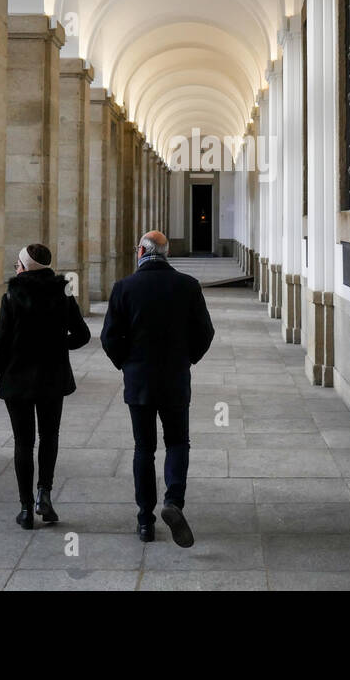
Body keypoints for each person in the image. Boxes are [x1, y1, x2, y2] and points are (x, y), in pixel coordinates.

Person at [100, 230, 214, 547]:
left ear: (141, 251)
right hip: (175, 379)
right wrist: (187, 359)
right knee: (178, 442)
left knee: (143, 449)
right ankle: (173, 501)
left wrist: (127, 364)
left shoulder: (124, 287)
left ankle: (145, 521)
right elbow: (205, 332)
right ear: (166, 252)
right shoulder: (187, 286)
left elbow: (109, 337)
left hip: (139, 383)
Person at [0, 243, 89, 530]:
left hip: (18, 380)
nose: (16, 266)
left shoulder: (13, 295)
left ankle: (26, 509)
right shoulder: (62, 293)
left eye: (18, 262)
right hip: (52, 378)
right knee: (50, 436)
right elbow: (82, 335)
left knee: (23, 443)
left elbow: (0, 345)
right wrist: (55, 344)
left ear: (26, 266)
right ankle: (44, 494)